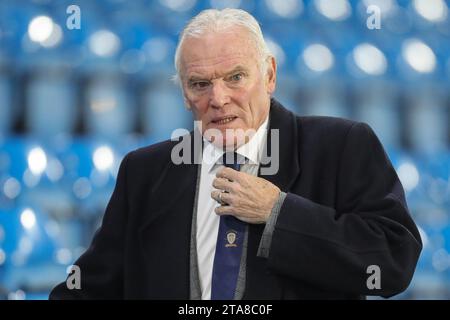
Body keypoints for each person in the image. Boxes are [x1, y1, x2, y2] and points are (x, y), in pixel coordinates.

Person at [50, 8, 422, 300]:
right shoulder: (145, 171)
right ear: (183, 93)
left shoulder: (341, 145)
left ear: (270, 75)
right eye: (200, 84)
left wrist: (279, 212)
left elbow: (393, 259)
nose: (218, 98)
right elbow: (93, 286)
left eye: (236, 77)